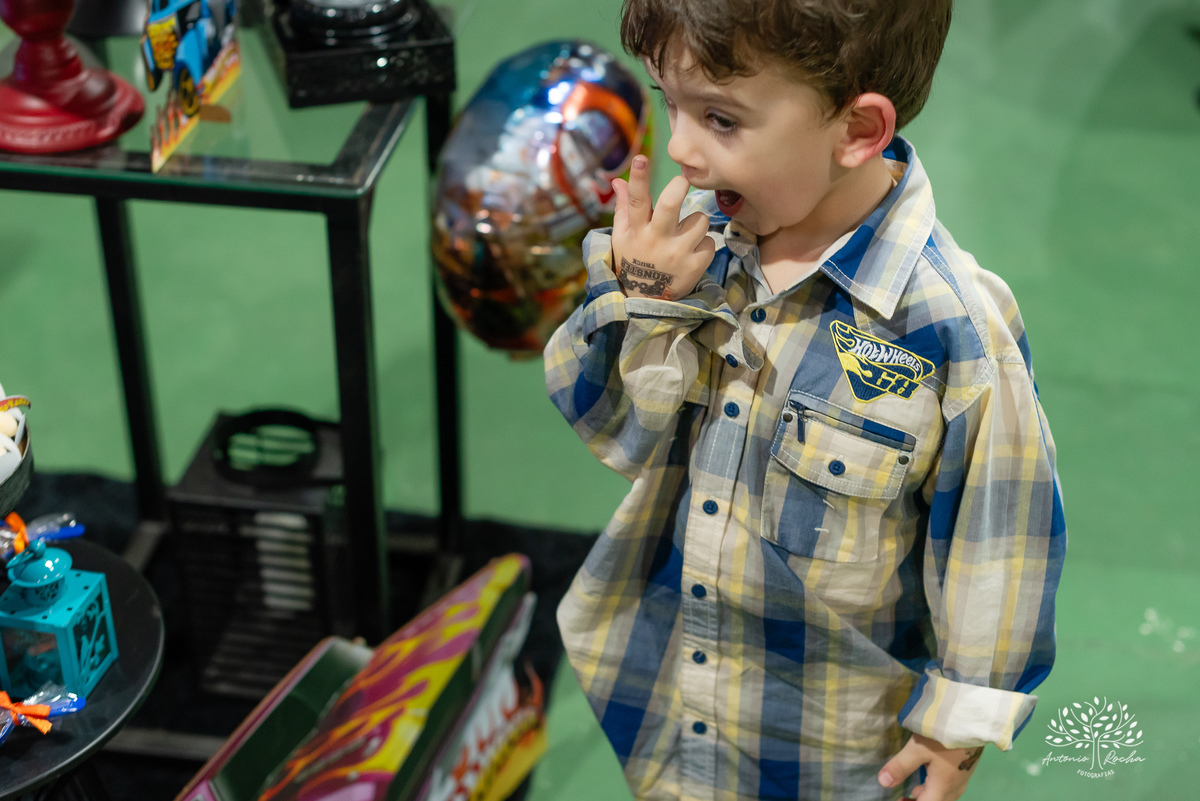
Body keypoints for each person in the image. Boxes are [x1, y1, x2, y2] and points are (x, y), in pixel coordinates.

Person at [543, 0, 1067, 798]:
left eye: (720, 118)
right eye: (667, 101)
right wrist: (639, 301)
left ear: (857, 131)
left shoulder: (947, 326)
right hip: (668, 702)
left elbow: (1000, 532)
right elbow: (617, 434)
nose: (679, 149)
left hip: (828, 743)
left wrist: (957, 719)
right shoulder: (695, 249)